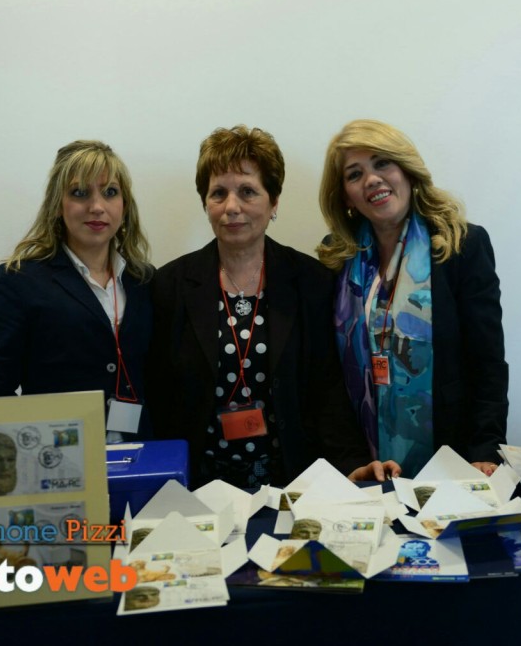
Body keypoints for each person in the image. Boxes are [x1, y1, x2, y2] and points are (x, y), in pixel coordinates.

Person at [148, 125, 391, 489]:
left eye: (248, 191)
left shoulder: (311, 281)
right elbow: (159, 395)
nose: (232, 207)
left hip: (293, 483)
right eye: (218, 193)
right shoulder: (170, 285)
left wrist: (351, 463)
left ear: (274, 202)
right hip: (197, 486)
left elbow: (327, 388)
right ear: (205, 203)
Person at [317, 119, 508, 477]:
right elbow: (327, 376)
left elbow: (487, 362)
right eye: (355, 174)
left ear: (406, 169)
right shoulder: (335, 258)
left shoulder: (461, 245)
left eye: (382, 163)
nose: (372, 179)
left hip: (453, 456)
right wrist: (350, 460)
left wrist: (486, 448)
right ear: (345, 196)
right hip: (364, 462)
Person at [0, 140, 153, 442]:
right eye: (79, 193)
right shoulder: (19, 281)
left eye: (110, 192)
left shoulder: (144, 280)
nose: (97, 207)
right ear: (58, 205)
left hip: (142, 453)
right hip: (60, 457)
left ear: (124, 205)